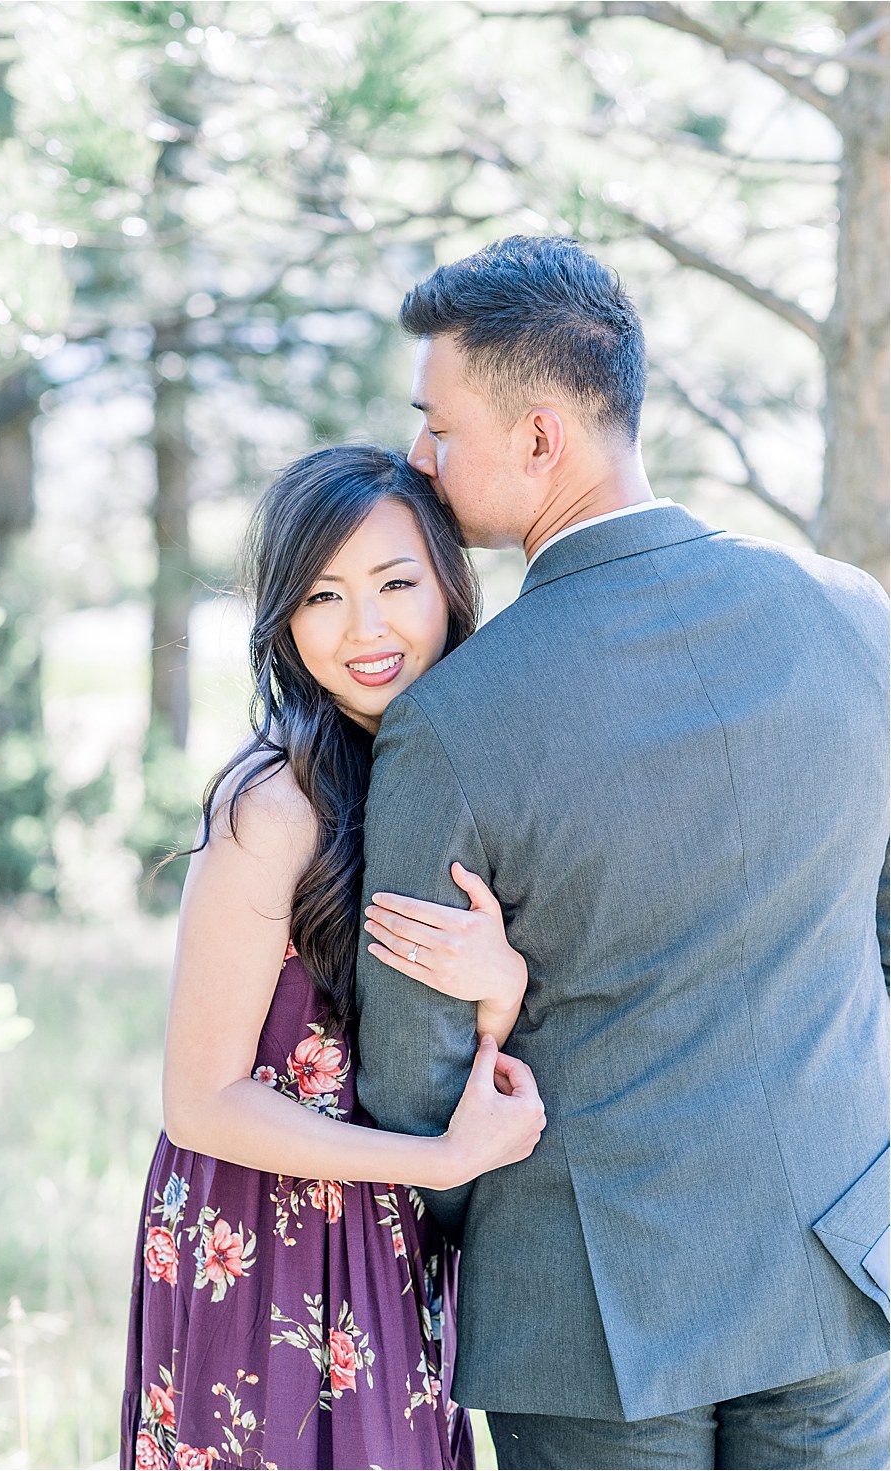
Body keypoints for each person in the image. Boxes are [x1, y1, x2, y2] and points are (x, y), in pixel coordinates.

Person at [354, 235, 890, 1471]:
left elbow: (410, 1079)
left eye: (438, 427)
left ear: (538, 438)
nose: (420, 460)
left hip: (588, 1311)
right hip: (838, 1252)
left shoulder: (453, 716)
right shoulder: (852, 616)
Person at [120, 444, 546, 1471]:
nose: (364, 630)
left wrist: (502, 990)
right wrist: (436, 1162)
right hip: (259, 1237)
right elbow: (201, 1099)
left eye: (395, 584)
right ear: (282, 620)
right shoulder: (274, 802)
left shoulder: (441, 773)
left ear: (449, 583)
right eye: (321, 596)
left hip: (387, 1243)